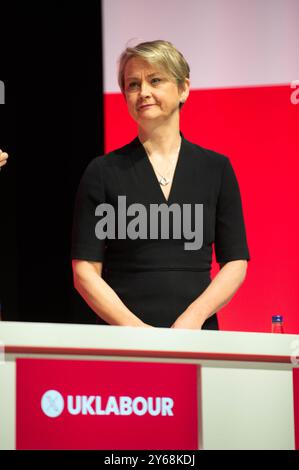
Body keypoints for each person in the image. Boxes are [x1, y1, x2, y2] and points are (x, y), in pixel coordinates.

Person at [71, 40, 250, 330]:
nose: (143, 92)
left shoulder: (216, 168)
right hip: (122, 341)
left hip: (195, 338)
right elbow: (85, 271)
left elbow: (236, 262)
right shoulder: (103, 172)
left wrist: (193, 317)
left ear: (183, 88)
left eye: (155, 80)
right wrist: (136, 331)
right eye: (132, 84)